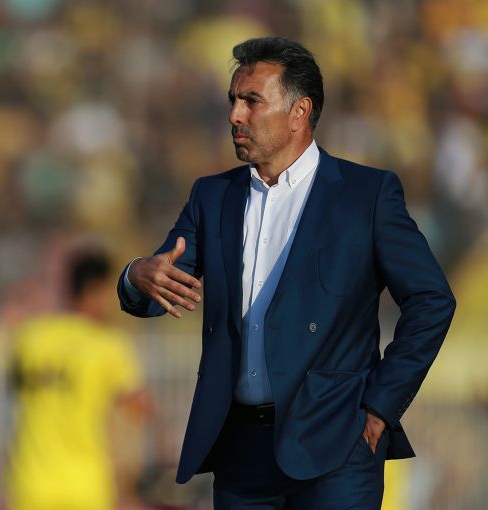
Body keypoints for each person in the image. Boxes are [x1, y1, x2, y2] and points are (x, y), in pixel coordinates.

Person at [118, 36, 455, 509]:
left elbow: (432, 300)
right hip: (239, 453)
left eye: (251, 101)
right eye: (233, 101)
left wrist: (381, 406)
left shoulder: (366, 195)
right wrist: (136, 274)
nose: (235, 115)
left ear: (300, 111)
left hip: (337, 448)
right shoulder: (211, 197)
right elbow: (160, 285)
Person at [6, 249, 148, 510]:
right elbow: (138, 409)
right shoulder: (108, 345)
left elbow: (14, 387)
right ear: (95, 289)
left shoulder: (31, 338)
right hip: (86, 485)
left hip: (30, 483)